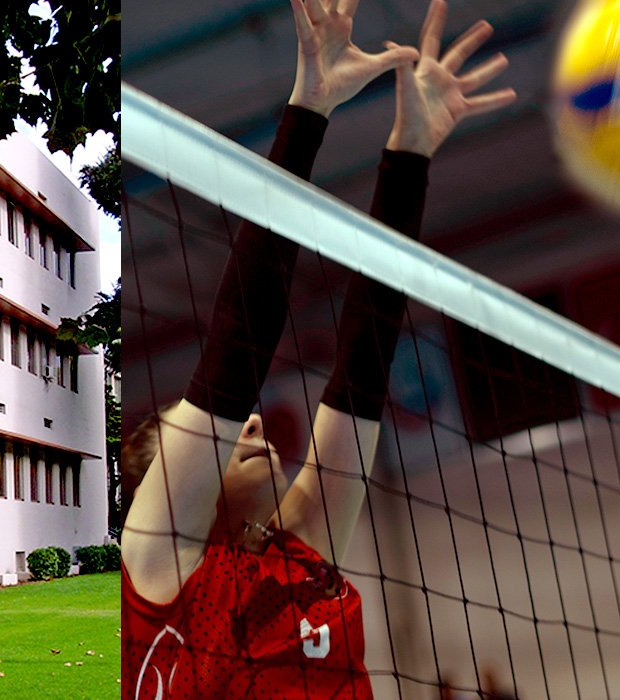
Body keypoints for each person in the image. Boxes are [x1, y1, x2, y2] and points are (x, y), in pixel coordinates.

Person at [121, 0, 516, 697]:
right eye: (197, 436)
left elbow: (363, 369)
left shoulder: (297, 553)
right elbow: (237, 348)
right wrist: (307, 112)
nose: (246, 421)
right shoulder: (160, 568)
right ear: (161, 490)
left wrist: (409, 153)